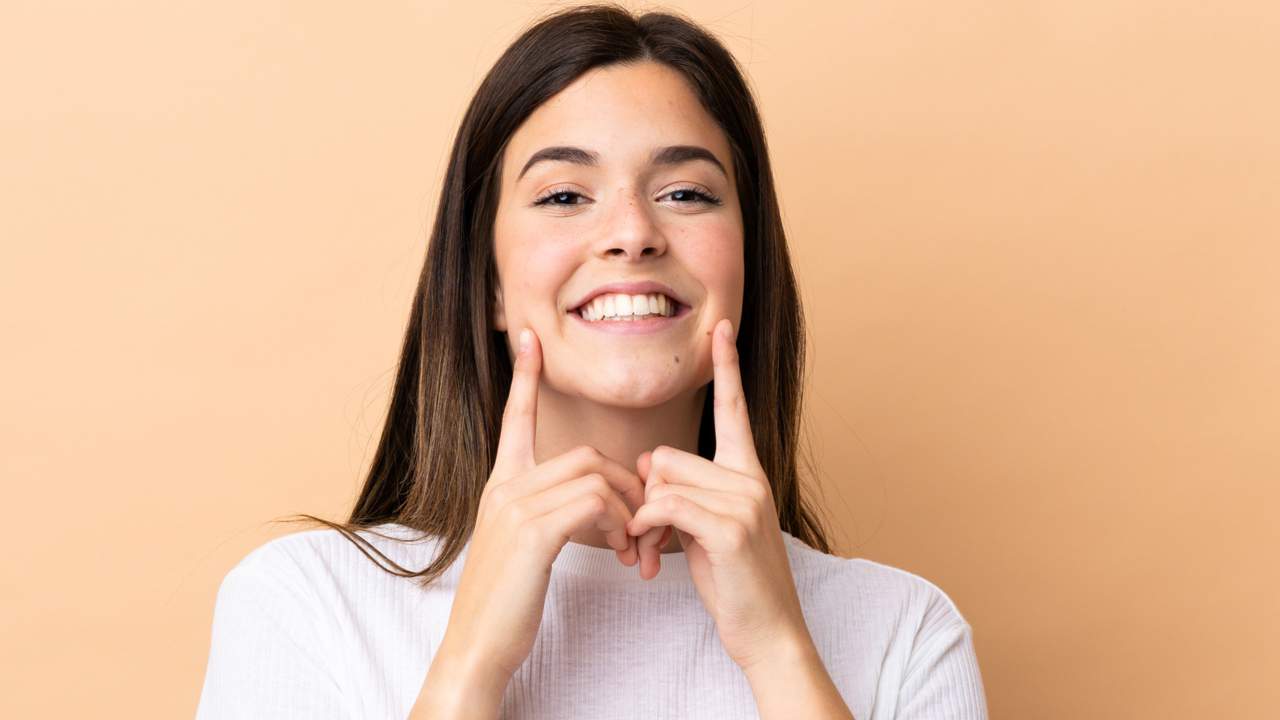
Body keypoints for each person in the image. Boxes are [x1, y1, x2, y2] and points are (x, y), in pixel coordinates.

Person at [195, 4, 989, 719]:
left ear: (748, 268)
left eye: (685, 192)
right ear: (488, 287)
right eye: (566, 196)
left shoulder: (905, 631)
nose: (633, 232)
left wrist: (780, 653)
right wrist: (471, 666)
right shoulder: (305, 604)